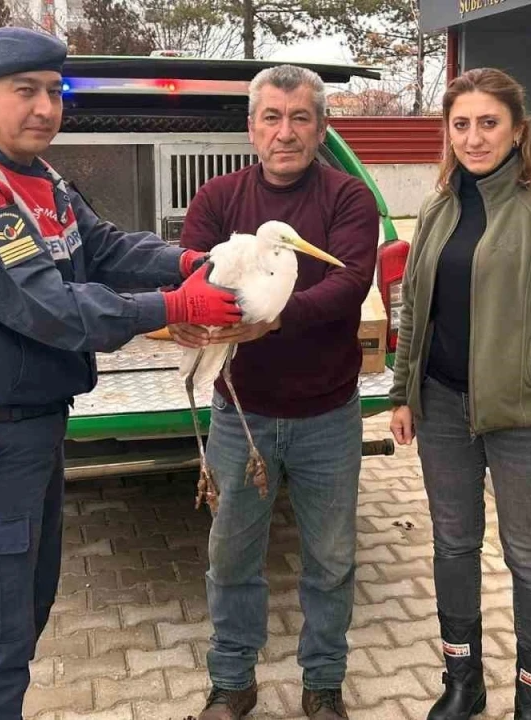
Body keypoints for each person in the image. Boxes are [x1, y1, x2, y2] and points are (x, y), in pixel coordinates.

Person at [0, 27, 242, 719]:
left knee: (22, 618)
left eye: (54, 93)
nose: (44, 108)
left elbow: (106, 246)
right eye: (25, 91)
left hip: (31, 434)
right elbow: (45, 306)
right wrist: (173, 306)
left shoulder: (39, 179)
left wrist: (189, 261)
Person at [388, 68, 531, 720]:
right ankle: (463, 682)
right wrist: (403, 392)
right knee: (453, 547)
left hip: (526, 417)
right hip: (442, 408)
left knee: (529, 558)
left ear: (517, 130)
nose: (474, 137)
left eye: (489, 123)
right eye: (460, 124)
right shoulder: (438, 208)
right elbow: (415, 308)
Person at [169, 64, 379, 720]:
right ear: (252, 127)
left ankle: (323, 686)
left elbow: (349, 284)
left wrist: (273, 319)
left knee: (331, 561)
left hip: (328, 414)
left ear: (321, 128)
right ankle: (232, 684)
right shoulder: (218, 199)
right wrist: (188, 315)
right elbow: (193, 277)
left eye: (300, 118)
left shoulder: (348, 198)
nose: (285, 132)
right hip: (242, 416)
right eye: (272, 117)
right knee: (232, 558)